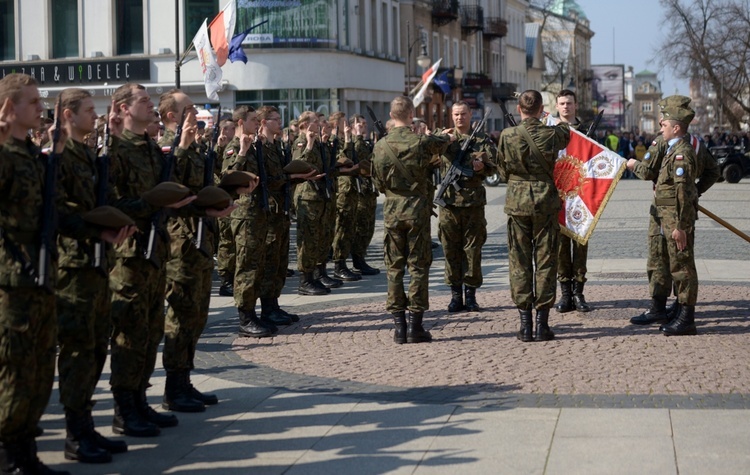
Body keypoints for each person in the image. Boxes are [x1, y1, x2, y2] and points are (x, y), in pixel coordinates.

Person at [54, 89, 136, 464]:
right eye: (89, 111)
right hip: (74, 266)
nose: (95, 116)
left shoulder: (89, 154)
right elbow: (63, 210)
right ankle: (75, 433)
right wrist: (97, 229)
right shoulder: (61, 157)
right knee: (77, 349)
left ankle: (86, 426)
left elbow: (107, 197)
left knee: (93, 348)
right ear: (69, 115)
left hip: (96, 260)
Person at [0, 73, 73, 474]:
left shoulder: (31, 153)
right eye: (32, 102)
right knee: (15, 369)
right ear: (9, 108)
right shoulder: (5, 155)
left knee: (42, 368)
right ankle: (9, 453)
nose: (40, 108)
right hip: (12, 283)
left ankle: (25, 449)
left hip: (42, 275)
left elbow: (55, 211)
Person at [628, 96, 718, 335]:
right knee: (662, 259)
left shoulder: (683, 152)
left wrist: (682, 222)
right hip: (663, 213)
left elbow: (682, 191)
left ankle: (686, 317)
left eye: (664, 123)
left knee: (682, 264)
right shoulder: (672, 147)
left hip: (676, 217)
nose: (659, 126)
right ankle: (673, 310)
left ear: (675, 126)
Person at [371, 96, 455, 344]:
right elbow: (442, 142)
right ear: (411, 115)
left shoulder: (379, 146)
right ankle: (415, 326)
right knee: (418, 265)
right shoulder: (420, 142)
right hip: (417, 209)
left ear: (390, 114)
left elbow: (377, 182)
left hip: (393, 209)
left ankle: (399, 327)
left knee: (394, 266)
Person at [497, 90, 570, 342]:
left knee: (519, 261)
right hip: (545, 201)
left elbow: (502, 169)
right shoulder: (552, 134)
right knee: (546, 260)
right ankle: (542, 324)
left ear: (519, 109)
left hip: (517, 202)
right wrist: (551, 119)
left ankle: (524, 324)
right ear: (541, 110)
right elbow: (565, 131)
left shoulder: (507, 135)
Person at [437, 101, 497, 313]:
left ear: (471, 114)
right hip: (449, 205)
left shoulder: (481, 140)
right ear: (451, 115)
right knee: (450, 250)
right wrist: (442, 139)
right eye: (456, 114)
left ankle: (470, 295)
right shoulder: (443, 138)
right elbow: (427, 157)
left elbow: (493, 168)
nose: (460, 118)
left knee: (472, 250)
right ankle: (455, 295)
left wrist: (481, 168)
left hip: (472, 203)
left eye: (463, 114)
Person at [548, 90, 592, 314]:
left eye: (570, 103)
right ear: (557, 106)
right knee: (561, 247)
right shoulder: (550, 131)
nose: (566, 107)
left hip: (581, 196)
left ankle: (579, 292)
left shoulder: (587, 131)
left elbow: (595, 162)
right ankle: (565, 294)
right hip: (558, 196)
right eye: (562, 103)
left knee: (581, 246)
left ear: (576, 105)